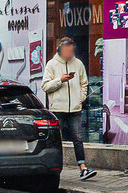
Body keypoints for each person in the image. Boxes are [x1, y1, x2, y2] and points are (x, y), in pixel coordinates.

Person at [41, 37, 96, 180]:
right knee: (56, 140)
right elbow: (45, 86)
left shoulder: (78, 64)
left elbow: (84, 83)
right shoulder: (51, 64)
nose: (68, 53)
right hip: (58, 109)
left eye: (71, 50)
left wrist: (81, 98)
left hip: (74, 109)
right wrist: (60, 80)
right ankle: (54, 169)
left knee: (78, 138)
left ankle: (83, 168)